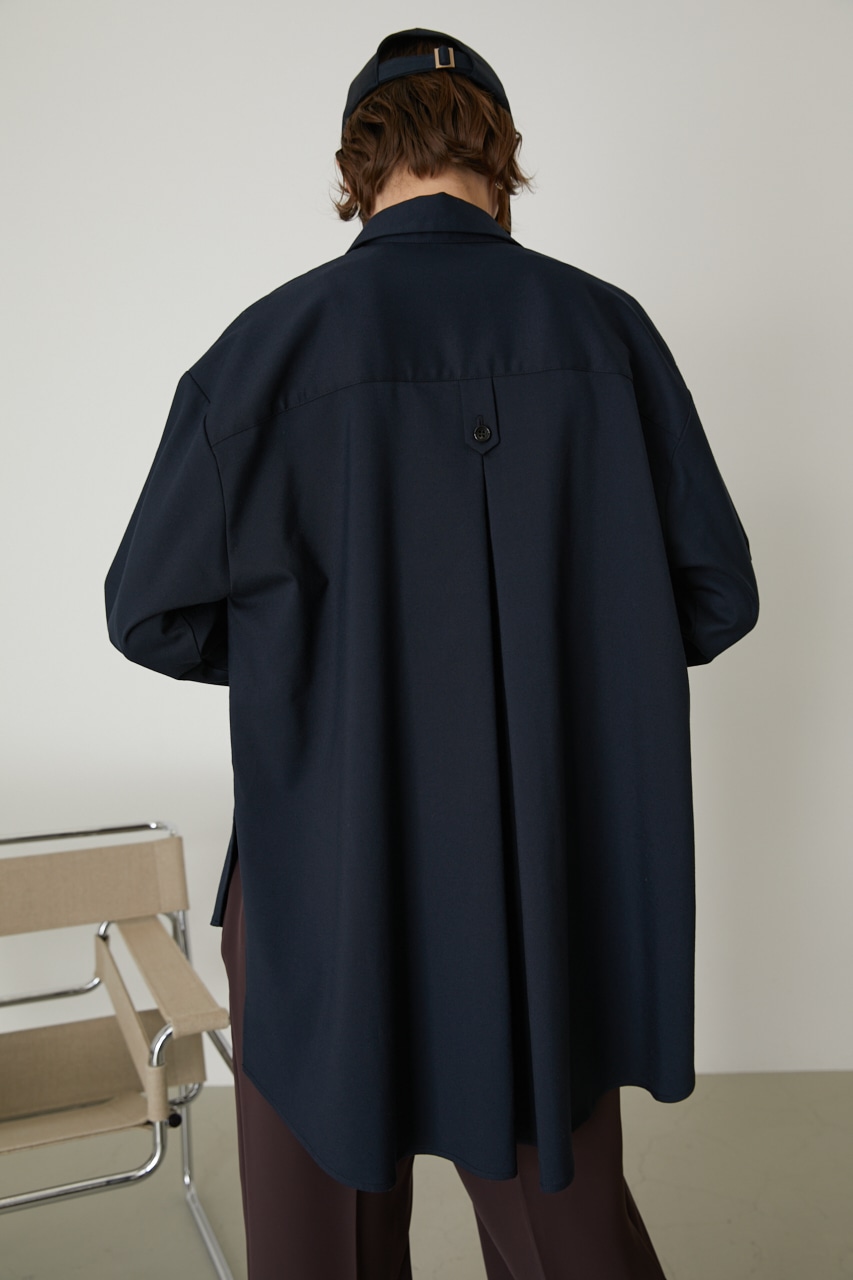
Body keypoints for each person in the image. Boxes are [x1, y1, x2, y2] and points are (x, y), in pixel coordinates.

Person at [103, 27, 759, 1279]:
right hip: (540, 869)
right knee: (565, 1236)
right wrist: (579, 645)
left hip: (323, 862)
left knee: (323, 1244)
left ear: (358, 163)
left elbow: (147, 609)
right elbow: (717, 593)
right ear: (499, 155)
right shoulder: (608, 332)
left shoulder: (267, 348)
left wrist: (332, 660)